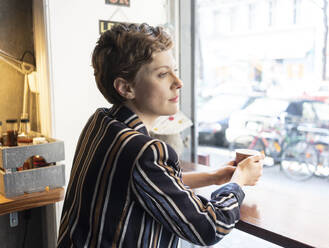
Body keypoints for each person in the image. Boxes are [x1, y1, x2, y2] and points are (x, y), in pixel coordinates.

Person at [57, 23, 264, 248]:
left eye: (175, 71)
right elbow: (210, 228)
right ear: (125, 88)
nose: (178, 82)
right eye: (163, 74)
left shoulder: (101, 122)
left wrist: (214, 177)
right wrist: (239, 181)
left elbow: (147, 184)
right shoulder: (146, 152)